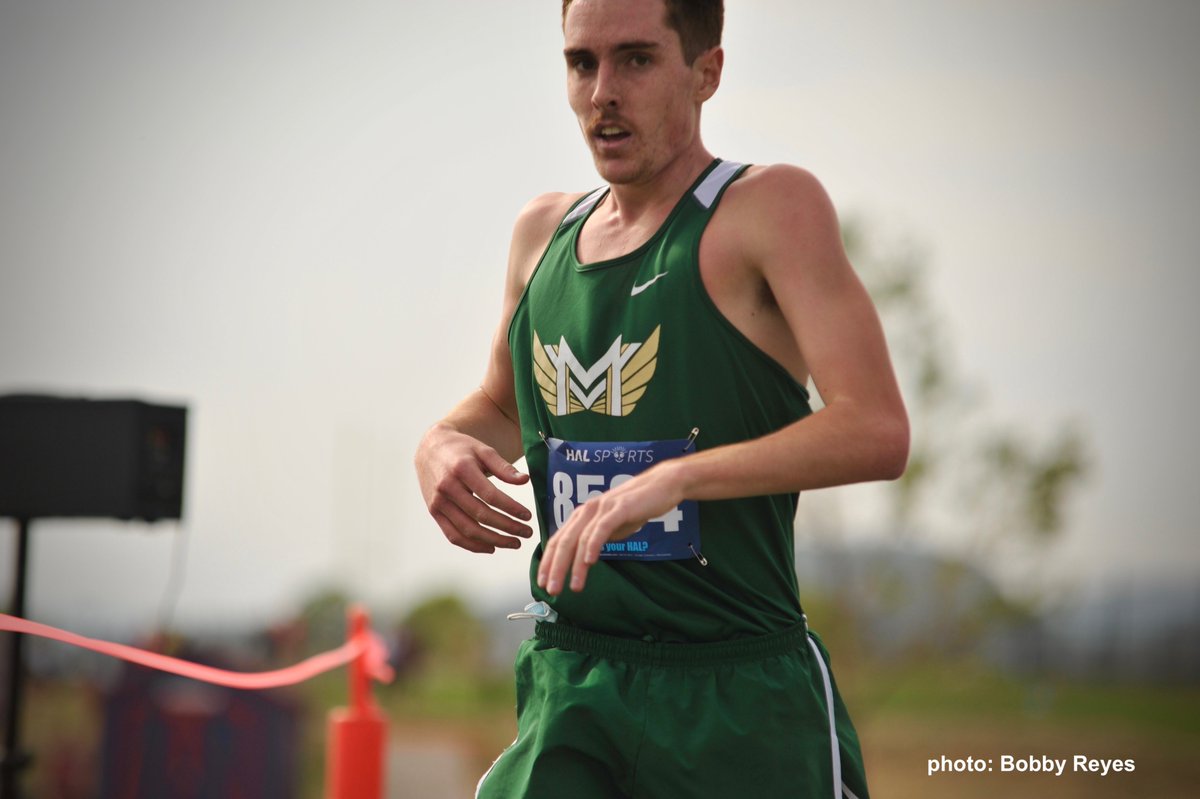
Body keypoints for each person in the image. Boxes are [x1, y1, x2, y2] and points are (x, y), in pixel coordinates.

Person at [414, 0, 908, 796]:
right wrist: (436, 443)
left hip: (736, 695)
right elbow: (501, 410)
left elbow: (877, 430)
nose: (603, 90)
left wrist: (680, 477)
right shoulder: (541, 234)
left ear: (706, 71)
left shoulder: (769, 210)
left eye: (636, 60)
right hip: (575, 682)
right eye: (583, 63)